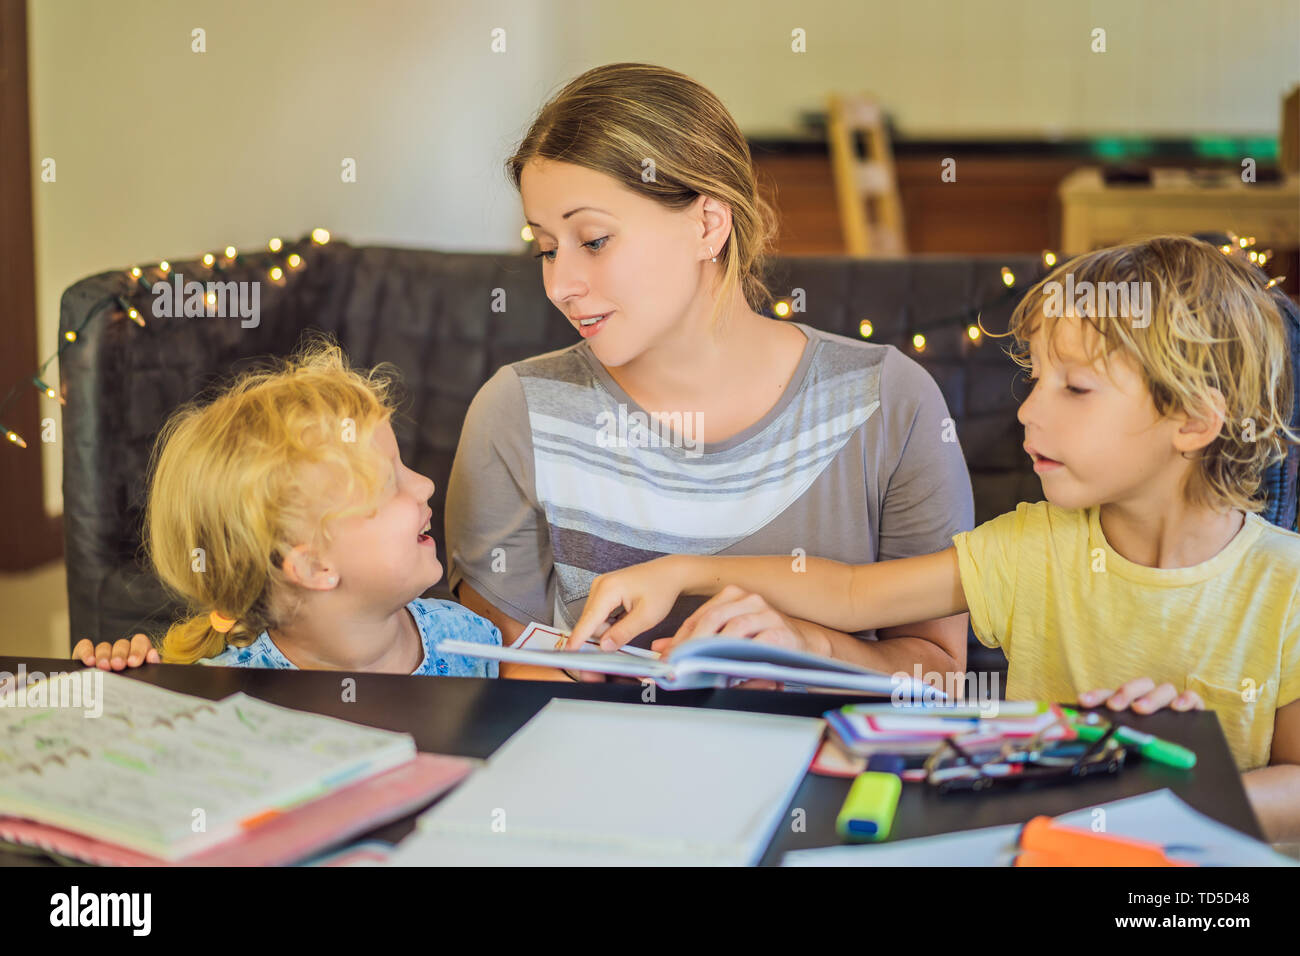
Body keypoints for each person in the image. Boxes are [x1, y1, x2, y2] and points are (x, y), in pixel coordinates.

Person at [569, 236, 1300, 842]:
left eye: (1074, 389)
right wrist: (684, 570)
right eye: (1036, 380)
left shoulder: (1287, 586)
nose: (1030, 413)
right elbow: (851, 592)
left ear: (1194, 422)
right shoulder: (1035, 548)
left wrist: (1157, 796)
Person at [446, 62, 973, 681]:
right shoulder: (514, 413)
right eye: (545, 247)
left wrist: (805, 645)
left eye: (593, 241)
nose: (561, 285)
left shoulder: (891, 401)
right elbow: (493, 671)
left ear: (707, 224)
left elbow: (940, 676)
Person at [73, 338, 502, 676]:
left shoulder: (471, 641)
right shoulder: (216, 695)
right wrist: (132, 686)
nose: (426, 485)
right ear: (313, 566)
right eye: (390, 482)